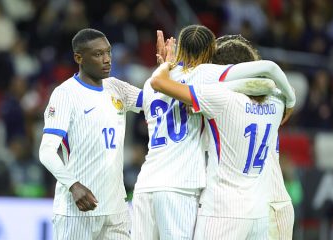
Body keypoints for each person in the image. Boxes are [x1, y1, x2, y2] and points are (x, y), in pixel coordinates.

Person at [131, 25, 295, 240]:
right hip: (267, 203)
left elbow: (162, 86)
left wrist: (166, 67)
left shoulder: (213, 97)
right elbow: (270, 76)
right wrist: (291, 98)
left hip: (201, 200)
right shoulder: (277, 100)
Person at [38, 28, 143, 240]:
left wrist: (167, 69)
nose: (107, 60)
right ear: (79, 58)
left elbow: (156, 101)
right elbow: (46, 152)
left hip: (116, 210)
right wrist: (73, 186)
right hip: (78, 209)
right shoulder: (65, 94)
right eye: (98, 54)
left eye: (108, 52)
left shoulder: (116, 88)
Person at [212, 34, 295, 240]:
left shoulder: (224, 103)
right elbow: (289, 97)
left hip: (260, 204)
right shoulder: (275, 100)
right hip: (273, 203)